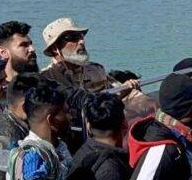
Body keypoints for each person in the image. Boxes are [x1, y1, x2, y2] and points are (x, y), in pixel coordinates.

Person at [39, 18, 139, 151]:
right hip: (71, 144)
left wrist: (127, 90)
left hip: (104, 136)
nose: (81, 41)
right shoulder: (46, 78)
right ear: (55, 48)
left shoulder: (96, 70)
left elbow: (115, 94)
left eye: (81, 36)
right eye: (73, 37)